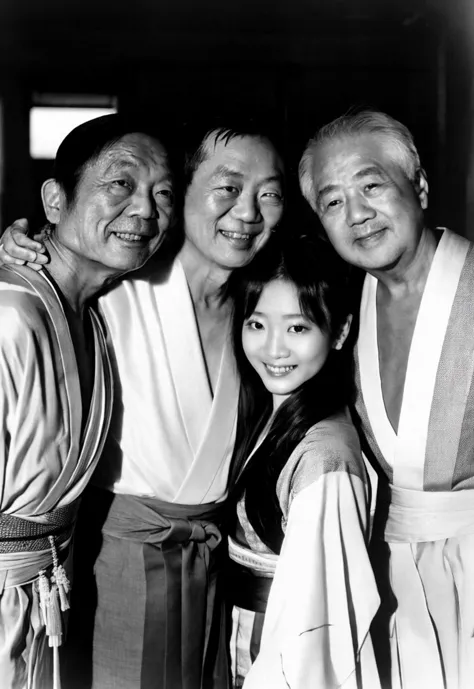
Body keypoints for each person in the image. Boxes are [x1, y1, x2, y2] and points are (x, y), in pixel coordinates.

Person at [0, 121, 286, 689]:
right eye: (227, 188)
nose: (247, 212)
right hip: (102, 566)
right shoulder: (108, 285)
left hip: (182, 569)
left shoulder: (261, 306)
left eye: (270, 194)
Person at [298, 108, 474, 689]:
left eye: (371, 185)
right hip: (395, 584)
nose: (357, 214)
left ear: (418, 186)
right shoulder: (344, 306)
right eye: (332, 201)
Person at [0, 113, 175, 689]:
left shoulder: (96, 312)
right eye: (120, 184)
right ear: (55, 201)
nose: (145, 210)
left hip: (46, 600)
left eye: (163, 193)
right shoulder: (8, 316)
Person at [225, 233, 380, 689]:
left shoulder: (325, 456)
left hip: (279, 658)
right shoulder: (269, 410)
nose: (274, 349)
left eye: (297, 328)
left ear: (340, 332)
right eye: (256, 324)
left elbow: (316, 625)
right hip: (239, 640)